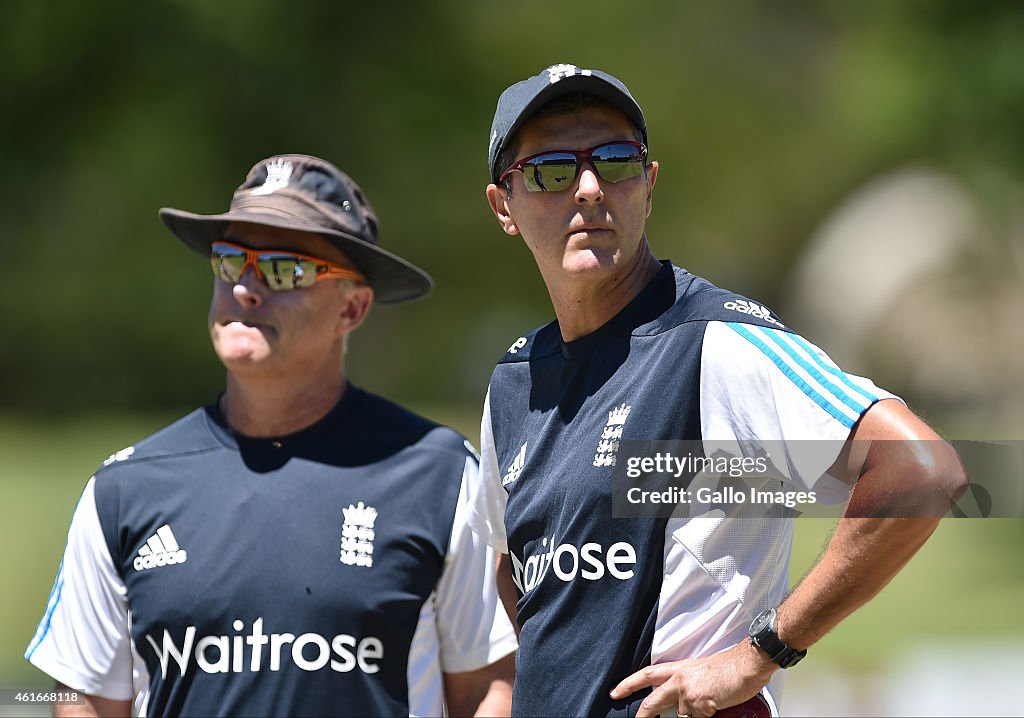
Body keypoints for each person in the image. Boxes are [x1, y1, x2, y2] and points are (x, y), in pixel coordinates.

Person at [468, 64, 967, 717]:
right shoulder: (514, 379)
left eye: (615, 161)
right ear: (504, 205)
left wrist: (760, 652)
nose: (589, 189)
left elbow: (921, 474)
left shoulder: (716, 342)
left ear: (648, 187)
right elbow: (517, 573)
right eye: (552, 171)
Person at [25, 154, 517, 717]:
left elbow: (487, 692)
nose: (246, 289)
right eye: (232, 263)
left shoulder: (440, 475)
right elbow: (86, 702)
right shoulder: (123, 489)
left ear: (352, 308)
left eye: (284, 269)